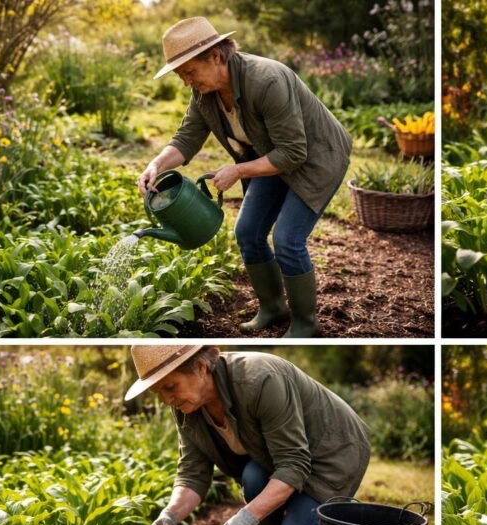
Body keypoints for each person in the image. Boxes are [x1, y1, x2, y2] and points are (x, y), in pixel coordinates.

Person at [137, 17, 354, 337]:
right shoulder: (204, 94)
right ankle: (273, 307)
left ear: (215, 56)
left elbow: (294, 153)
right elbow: (186, 139)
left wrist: (238, 170)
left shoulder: (267, 80)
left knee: (287, 240)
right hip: (269, 156)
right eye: (181, 75)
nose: (186, 82)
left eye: (189, 72)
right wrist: (156, 165)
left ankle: (306, 323)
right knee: (248, 232)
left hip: (316, 159)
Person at [127, 345, 371, 525]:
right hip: (279, 458)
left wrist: (248, 516)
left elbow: (294, 462)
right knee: (254, 474)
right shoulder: (186, 406)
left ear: (200, 367)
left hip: (332, 451)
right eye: (158, 392)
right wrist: (169, 515)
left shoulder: (260, 379)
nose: (167, 400)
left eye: (170, 386)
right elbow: (192, 473)